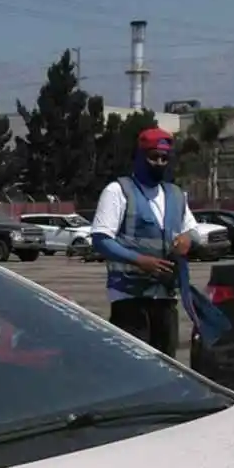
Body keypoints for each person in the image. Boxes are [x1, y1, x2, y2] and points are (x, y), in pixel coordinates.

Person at [90, 126, 199, 354]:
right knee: (133, 367)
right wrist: (140, 260)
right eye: (153, 157)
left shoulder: (175, 195)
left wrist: (187, 239)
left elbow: (191, 231)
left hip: (165, 296)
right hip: (130, 297)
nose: (159, 162)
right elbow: (101, 239)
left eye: (164, 158)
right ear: (139, 157)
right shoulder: (118, 191)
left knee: (167, 366)